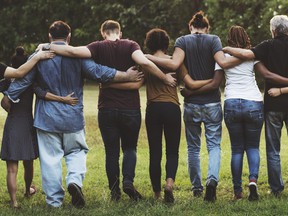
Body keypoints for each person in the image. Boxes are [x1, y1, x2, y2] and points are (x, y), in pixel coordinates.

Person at [3, 20, 143, 208]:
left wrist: (10, 95)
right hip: (73, 116)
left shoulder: (40, 55)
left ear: (49, 37)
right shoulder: (78, 56)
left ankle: (54, 201)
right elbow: (99, 72)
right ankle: (74, 181)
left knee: (50, 160)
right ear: (69, 37)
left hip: (47, 119)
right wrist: (126, 75)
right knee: (77, 151)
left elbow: (23, 80)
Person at [43, 20, 177, 202]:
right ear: (119, 33)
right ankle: (128, 181)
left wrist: (46, 45)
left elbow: (71, 51)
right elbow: (145, 62)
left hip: (106, 108)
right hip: (130, 108)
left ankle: (115, 192)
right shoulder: (131, 45)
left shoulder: (96, 46)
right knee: (130, 148)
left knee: (111, 152)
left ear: (103, 33)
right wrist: (165, 78)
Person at [146, 11, 241, 202]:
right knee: (214, 146)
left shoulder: (182, 41)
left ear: (191, 27)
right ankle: (211, 181)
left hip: (191, 105)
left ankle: (197, 188)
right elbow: (222, 63)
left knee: (193, 148)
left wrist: (145, 56)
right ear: (207, 28)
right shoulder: (214, 40)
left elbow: (175, 64)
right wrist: (248, 55)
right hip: (212, 102)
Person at [140, 28, 211, 203]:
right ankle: (169, 185)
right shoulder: (175, 61)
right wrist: (214, 80)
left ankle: (157, 194)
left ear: (149, 44)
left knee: (154, 152)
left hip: (153, 109)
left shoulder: (146, 62)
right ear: (167, 44)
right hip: (172, 108)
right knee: (172, 151)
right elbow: (191, 84)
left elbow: (136, 80)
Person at [223, 15, 288, 197]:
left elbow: (264, 73)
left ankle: (270, 189)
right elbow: (258, 68)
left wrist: (226, 48)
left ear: (273, 30)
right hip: (255, 102)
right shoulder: (258, 51)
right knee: (255, 147)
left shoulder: (265, 47)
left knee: (268, 150)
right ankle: (256, 182)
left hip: (268, 103)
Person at [0, 47, 55, 208]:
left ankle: (14, 201)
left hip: (12, 125)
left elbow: (4, 99)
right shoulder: (31, 82)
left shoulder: (7, 82)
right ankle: (27, 190)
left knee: (11, 169)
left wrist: (5, 100)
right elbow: (43, 93)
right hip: (27, 124)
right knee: (28, 162)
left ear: (12, 64)